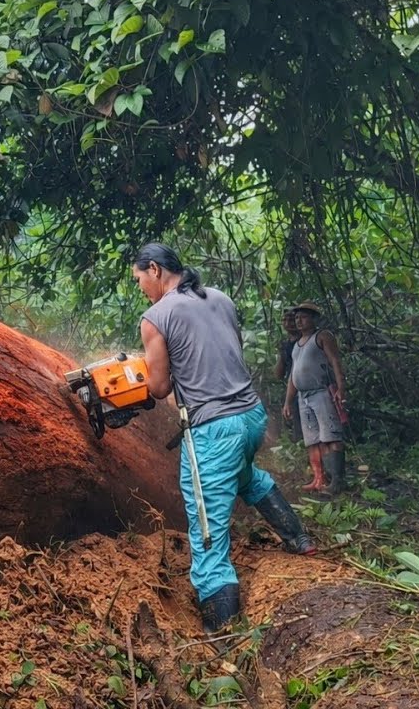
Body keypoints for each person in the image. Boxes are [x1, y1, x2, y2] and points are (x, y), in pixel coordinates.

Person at [133, 243, 315, 633]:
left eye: (139, 280)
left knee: (206, 528)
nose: (141, 289)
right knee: (246, 476)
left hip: (214, 430)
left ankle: (224, 638)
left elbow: (160, 387)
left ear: (154, 269)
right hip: (250, 417)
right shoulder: (219, 298)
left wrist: (141, 372)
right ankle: (298, 538)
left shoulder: (156, 317)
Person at [282, 302, 349, 494]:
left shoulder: (322, 336)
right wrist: (288, 401)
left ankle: (337, 480)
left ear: (313, 319)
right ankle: (319, 478)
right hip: (304, 397)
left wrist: (341, 387)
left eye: (303, 317)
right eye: (297, 318)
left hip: (321, 392)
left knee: (330, 434)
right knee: (313, 439)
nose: (299, 321)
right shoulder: (297, 345)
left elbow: (335, 360)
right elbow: (292, 376)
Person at [274, 309, 301, 443]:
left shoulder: (305, 340)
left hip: (305, 386)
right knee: (296, 423)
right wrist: (282, 352)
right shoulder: (285, 345)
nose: (288, 323)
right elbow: (279, 374)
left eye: (291, 319)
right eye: (284, 320)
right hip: (292, 388)